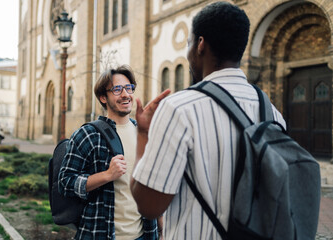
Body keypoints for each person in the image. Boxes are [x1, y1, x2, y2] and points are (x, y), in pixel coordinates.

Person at [130, 2, 286, 240]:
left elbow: (149, 205)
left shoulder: (179, 108)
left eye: (189, 43)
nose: (189, 50)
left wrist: (143, 134)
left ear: (200, 44)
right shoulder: (274, 114)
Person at [58, 65, 167, 240]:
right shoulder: (87, 134)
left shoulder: (143, 132)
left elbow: (152, 186)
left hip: (145, 234)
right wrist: (107, 175)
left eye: (129, 88)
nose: (125, 94)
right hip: (100, 234)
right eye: (117, 89)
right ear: (103, 97)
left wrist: (162, 230)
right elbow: (65, 182)